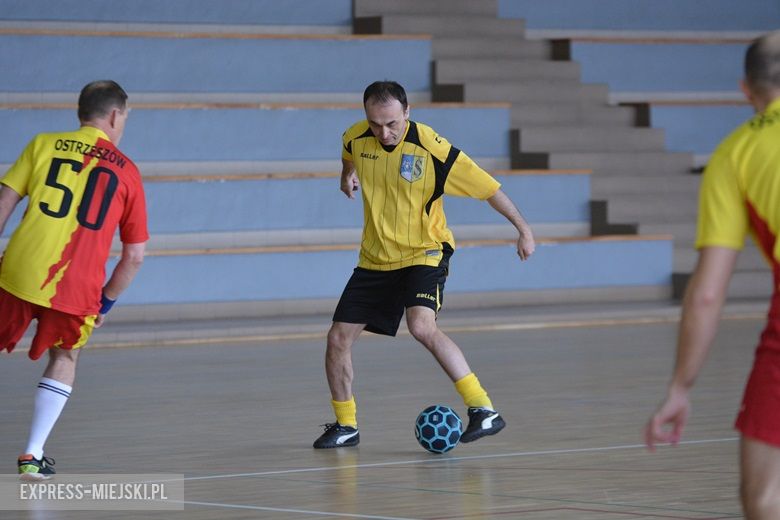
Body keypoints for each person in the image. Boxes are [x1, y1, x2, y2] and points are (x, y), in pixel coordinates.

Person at [313, 80, 536, 449]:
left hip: (424, 252)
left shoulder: (433, 148)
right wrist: (346, 174)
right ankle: (346, 425)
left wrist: (524, 230)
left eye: (392, 124)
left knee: (421, 326)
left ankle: (483, 408)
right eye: (375, 124)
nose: (384, 133)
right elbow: (349, 152)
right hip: (375, 258)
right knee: (337, 338)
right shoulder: (356, 136)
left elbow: (489, 189)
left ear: (407, 112)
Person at [644, 32, 780, 518]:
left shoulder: (735, 155)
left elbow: (706, 295)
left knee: (764, 497)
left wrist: (680, 387)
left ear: (745, 89)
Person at [0, 80, 149, 479]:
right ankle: (32, 455)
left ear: (81, 111)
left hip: (17, 270)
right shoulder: (128, 172)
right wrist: (105, 302)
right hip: (77, 288)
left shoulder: (42, 144)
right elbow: (134, 256)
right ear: (115, 115)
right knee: (65, 357)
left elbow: (3, 204)